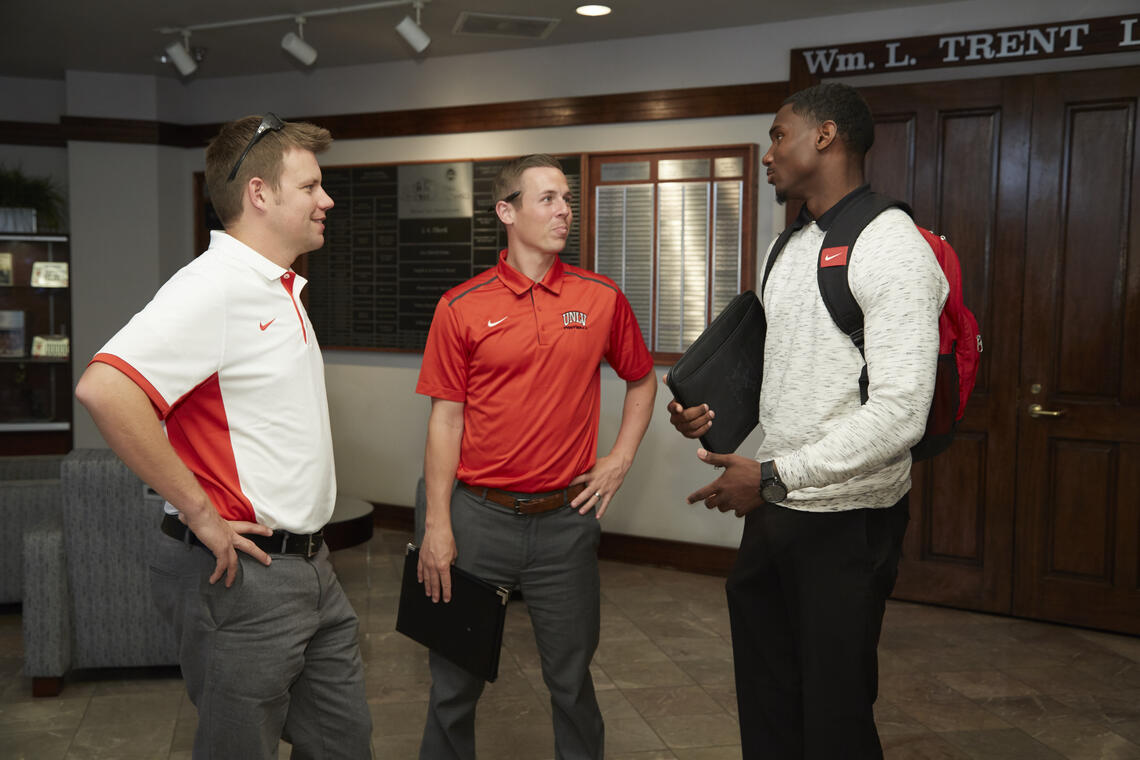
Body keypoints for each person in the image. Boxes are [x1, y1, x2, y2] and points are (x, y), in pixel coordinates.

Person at [74, 113, 372, 760]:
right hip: (245, 577)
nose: (327, 200)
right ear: (259, 194)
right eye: (311, 187)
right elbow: (105, 388)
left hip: (311, 570)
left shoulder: (277, 287)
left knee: (344, 741)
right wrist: (202, 512)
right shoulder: (213, 288)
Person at [667, 83, 949, 758]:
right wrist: (711, 414)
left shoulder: (894, 246)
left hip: (850, 520)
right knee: (767, 699)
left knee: (835, 715)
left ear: (825, 136)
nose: (768, 153)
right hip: (778, 507)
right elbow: (781, 364)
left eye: (777, 134)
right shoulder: (784, 248)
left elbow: (902, 412)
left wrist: (768, 477)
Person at [415, 153, 656, 760]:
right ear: (507, 212)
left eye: (565, 198)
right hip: (477, 520)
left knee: (572, 683)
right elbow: (445, 420)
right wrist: (437, 524)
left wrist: (620, 457)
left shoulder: (599, 298)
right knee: (453, 685)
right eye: (546, 198)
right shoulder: (460, 306)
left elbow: (643, 379)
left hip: (564, 524)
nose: (563, 210)